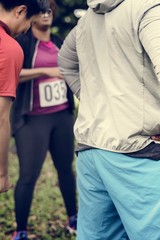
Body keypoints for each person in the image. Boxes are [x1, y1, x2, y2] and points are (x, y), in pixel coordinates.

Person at [58, 0, 160, 239]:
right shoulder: (152, 6)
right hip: (143, 152)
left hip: (93, 154)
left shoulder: (87, 20)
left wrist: (99, 103)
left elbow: (65, 62)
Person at [11, 0, 77, 239]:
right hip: (32, 119)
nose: (46, 15)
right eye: (41, 11)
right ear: (33, 15)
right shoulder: (23, 44)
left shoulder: (60, 43)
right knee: (28, 175)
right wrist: (45, 71)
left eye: (50, 10)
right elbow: (12, 74)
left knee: (66, 170)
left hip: (62, 116)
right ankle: (20, 230)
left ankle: (74, 218)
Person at [0, 0, 49, 194]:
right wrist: (2, 174)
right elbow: (1, 118)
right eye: (31, 22)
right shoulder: (8, 48)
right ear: (21, 11)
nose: (27, 30)